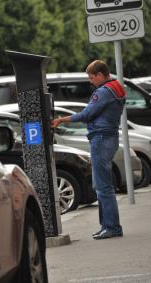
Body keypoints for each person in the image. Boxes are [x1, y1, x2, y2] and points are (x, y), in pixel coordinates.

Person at [51, 60, 125, 240]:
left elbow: (87, 114)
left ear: (100, 75)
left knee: (103, 186)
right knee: (101, 185)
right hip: (110, 137)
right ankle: (106, 226)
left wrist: (62, 120)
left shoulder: (103, 91)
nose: (91, 81)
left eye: (92, 77)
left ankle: (112, 227)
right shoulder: (117, 88)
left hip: (101, 138)